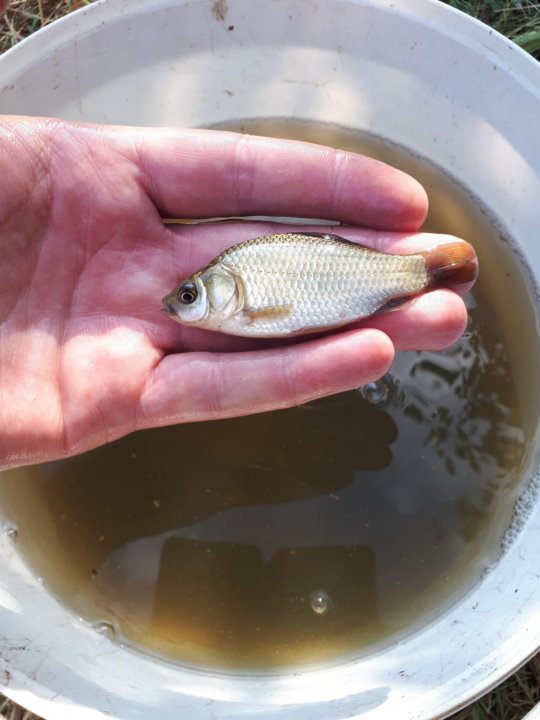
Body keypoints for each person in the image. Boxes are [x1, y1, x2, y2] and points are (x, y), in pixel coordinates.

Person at [0, 115, 475, 471]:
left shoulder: (245, 290)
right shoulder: (239, 290)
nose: (178, 304)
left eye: (189, 296)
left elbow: (282, 312)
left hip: (354, 276)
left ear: (224, 287)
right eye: (188, 296)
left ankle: (426, 273)